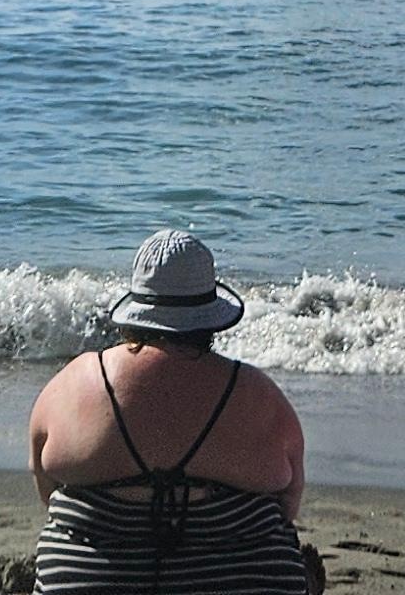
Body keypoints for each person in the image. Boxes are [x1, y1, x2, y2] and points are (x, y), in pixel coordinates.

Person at [26, 230, 316, 595]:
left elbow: (45, 488)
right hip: (240, 578)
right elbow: (289, 500)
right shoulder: (255, 392)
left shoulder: (75, 382)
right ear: (210, 315)